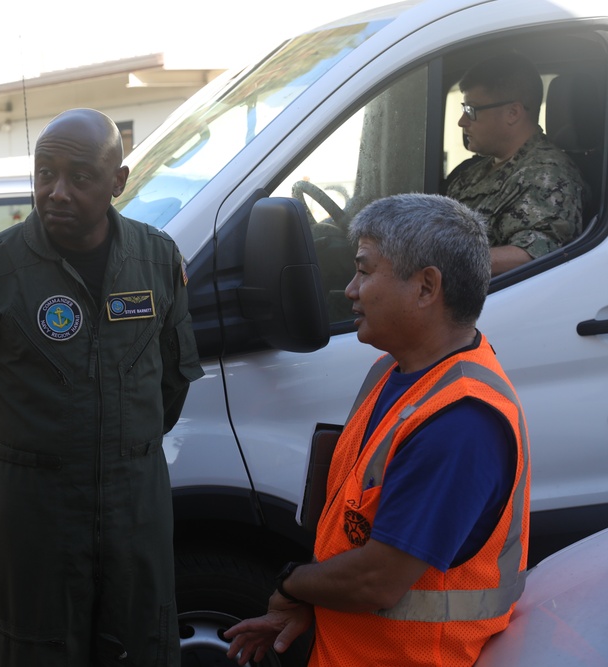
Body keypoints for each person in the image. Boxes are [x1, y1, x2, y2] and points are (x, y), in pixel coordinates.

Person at [0, 108, 204, 666]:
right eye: (43, 174)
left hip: (137, 509)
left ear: (118, 182)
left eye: (79, 178)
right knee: (33, 648)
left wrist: (119, 452)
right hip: (35, 517)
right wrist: (27, 472)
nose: (56, 192)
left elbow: (173, 385)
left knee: (140, 645)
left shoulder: (157, 261)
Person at [224, 193, 531, 667]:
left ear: (427, 287)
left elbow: (377, 581)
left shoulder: (461, 422)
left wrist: (292, 584)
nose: (350, 289)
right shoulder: (397, 370)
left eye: (365, 271)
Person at [444, 52, 584, 276]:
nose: (462, 121)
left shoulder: (547, 174)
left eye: (471, 110)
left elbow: (532, 255)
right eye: (463, 109)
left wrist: (436, 260)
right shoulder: (476, 169)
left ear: (512, 113)